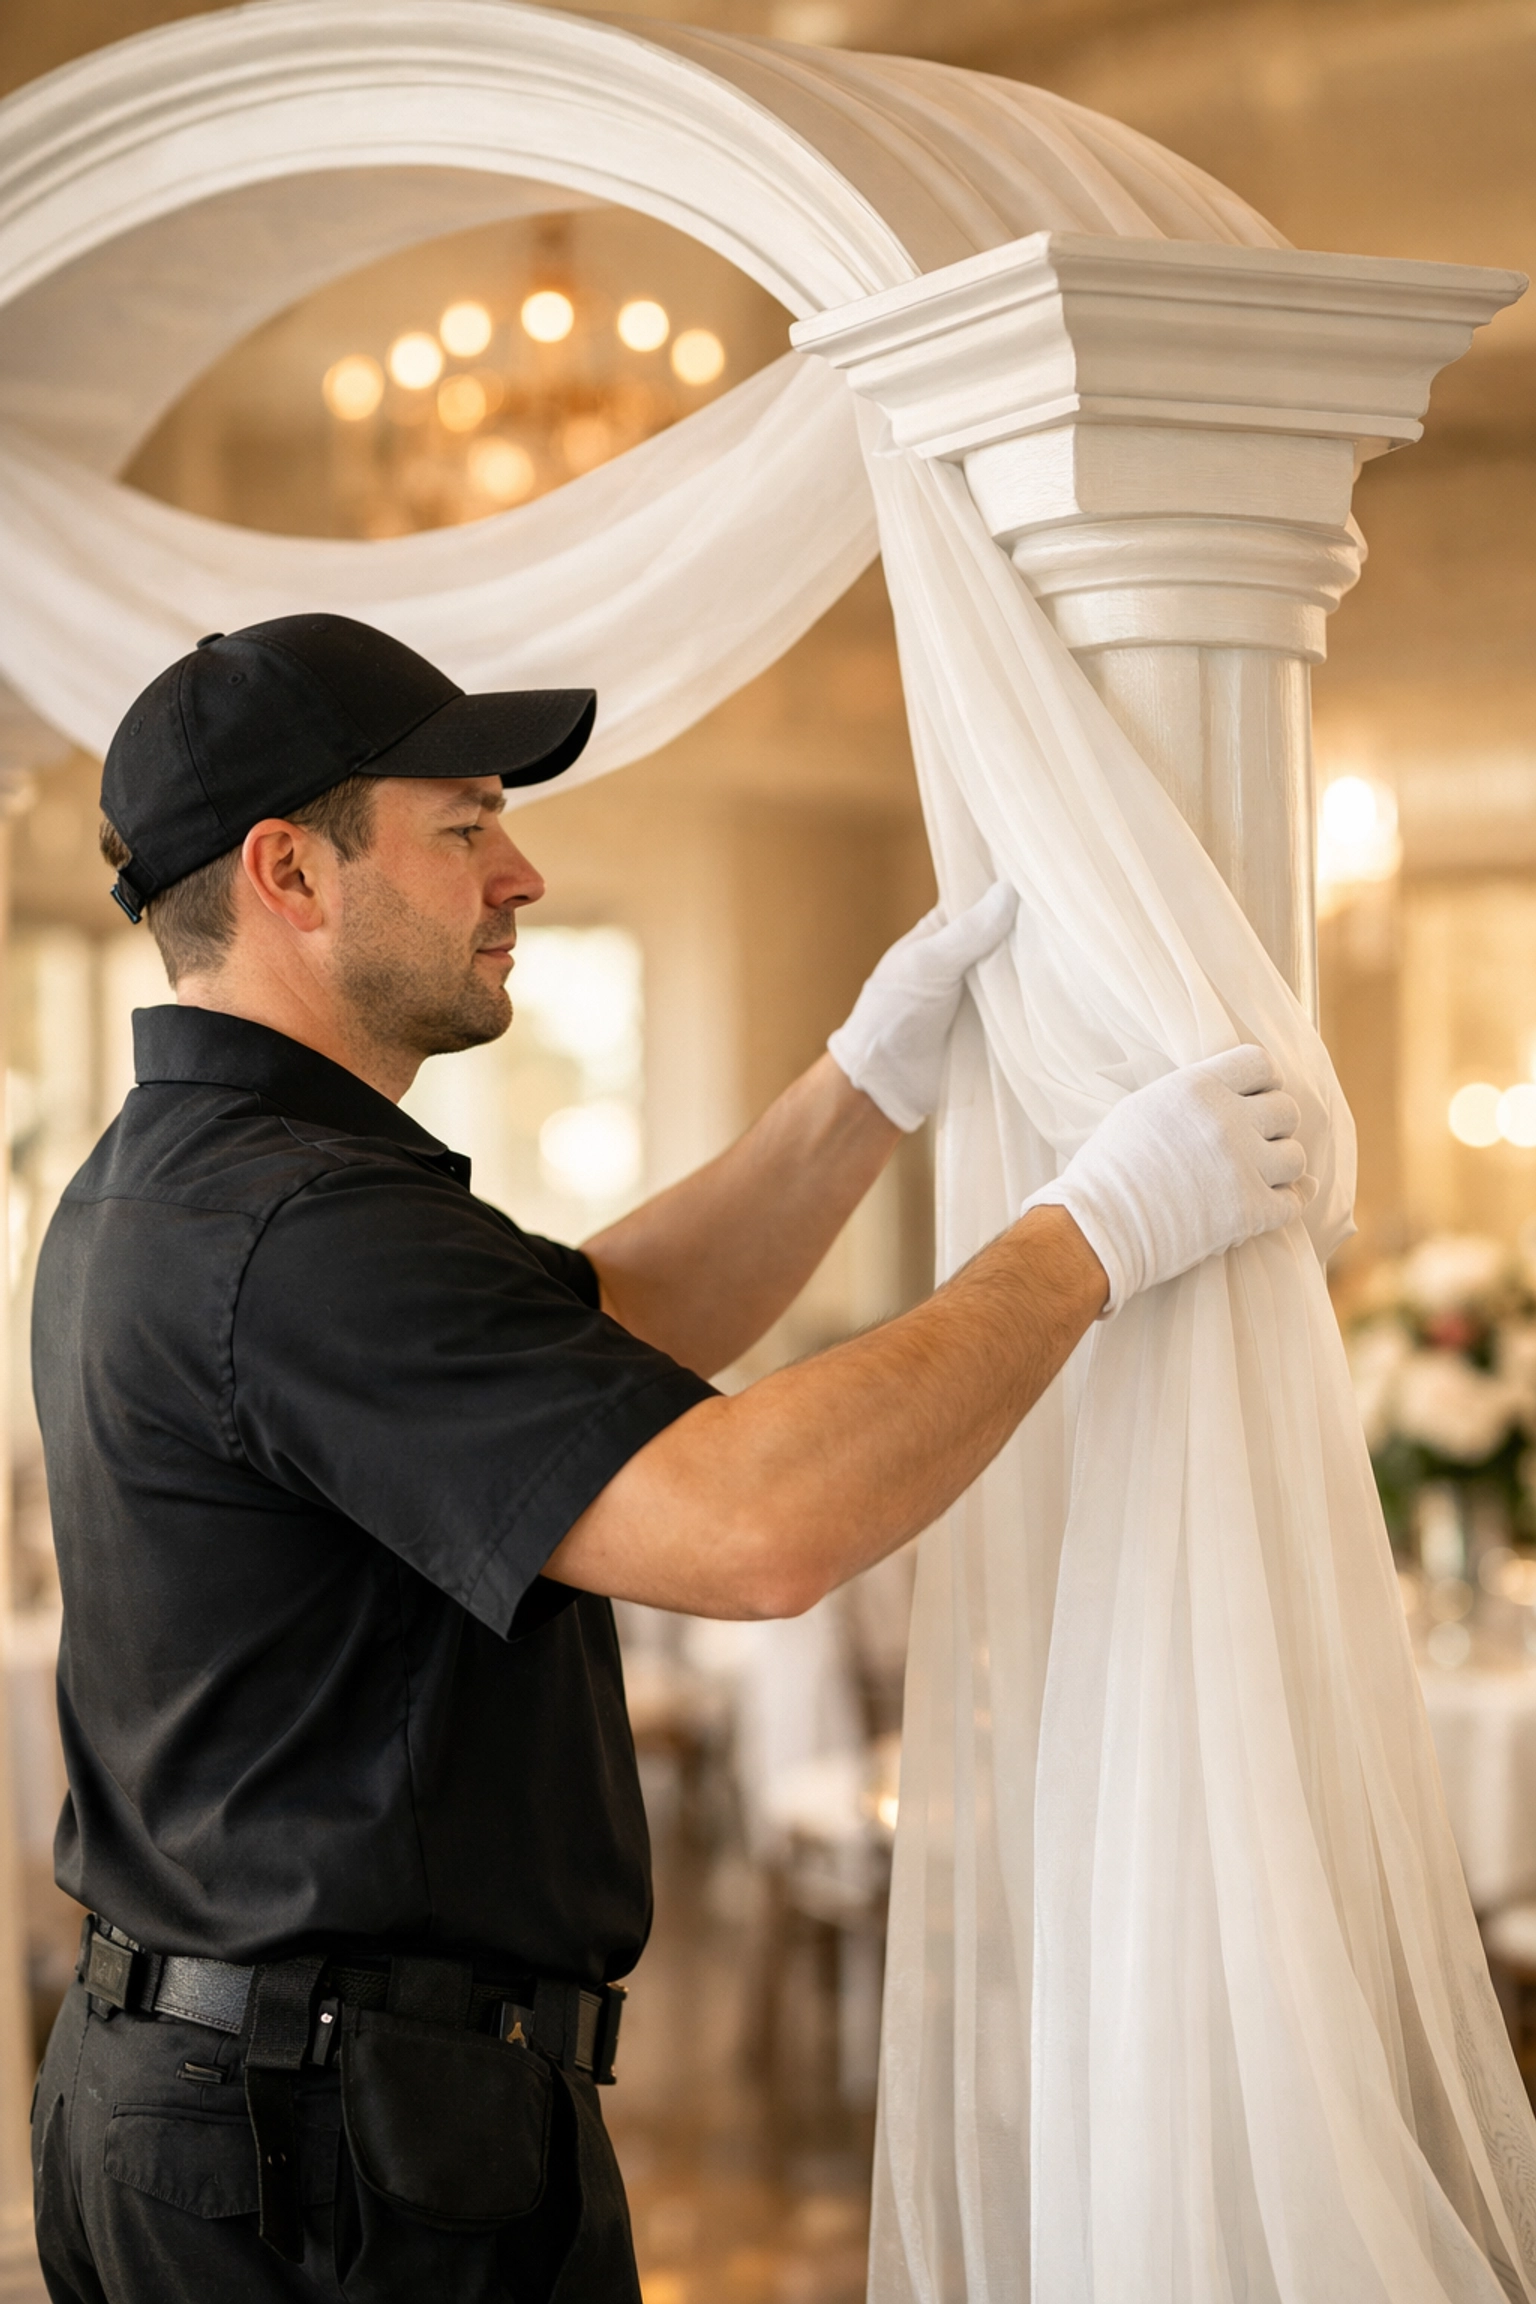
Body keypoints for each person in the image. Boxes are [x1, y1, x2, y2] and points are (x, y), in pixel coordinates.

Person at [28, 614, 1308, 2304]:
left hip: (257, 2102)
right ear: (290, 872)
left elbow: (613, 1319)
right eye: (467, 823)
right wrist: (1092, 1232)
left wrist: (867, 1081)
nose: (523, 874)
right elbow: (756, 1529)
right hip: (333, 2155)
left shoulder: (196, 1173)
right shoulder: (297, 1228)